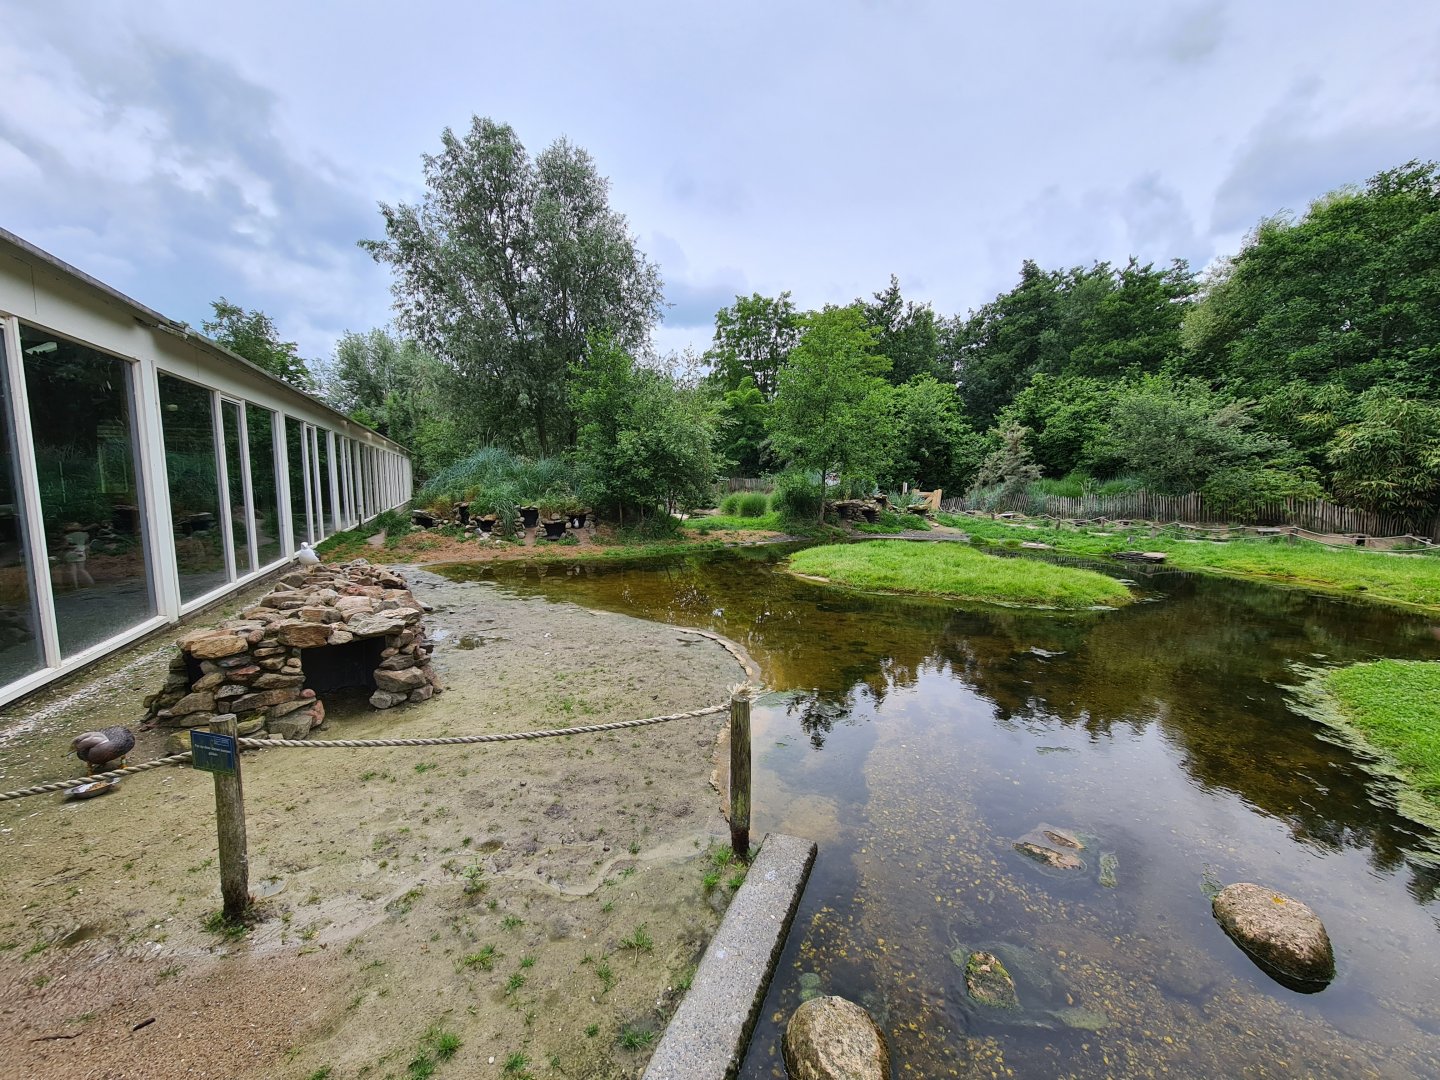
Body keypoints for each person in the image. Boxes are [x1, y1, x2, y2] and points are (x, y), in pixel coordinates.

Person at [61, 522, 94, 588]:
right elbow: (87, 545)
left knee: (72, 570)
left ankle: (75, 586)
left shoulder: (67, 536)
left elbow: (65, 546)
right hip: (81, 551)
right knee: (82, 569)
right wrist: (87, 553)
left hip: (71, 552)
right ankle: (92, 583)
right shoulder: (85, 535)